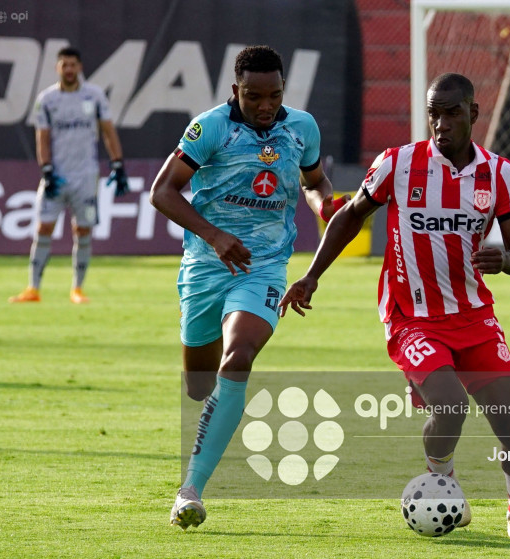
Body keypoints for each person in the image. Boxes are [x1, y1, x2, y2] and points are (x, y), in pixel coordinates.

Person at [280, 73, 510, 540]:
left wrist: (505, 258)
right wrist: (311, 276)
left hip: (475, 316)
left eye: (452, 113)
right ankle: (442, 477)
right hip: (411, 318)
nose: (440, 124)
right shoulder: (398, 164)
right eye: (433, 113)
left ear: (473, 114)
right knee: (451, 406)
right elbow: (349, 216)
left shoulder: (499, 173)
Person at [150, 45, 347, 531]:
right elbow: (163, 191)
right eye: (254, 96)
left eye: (274, 95)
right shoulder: (210, 127)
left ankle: (190, 489)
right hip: (204, 265)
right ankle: (214, 420)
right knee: (200, 387)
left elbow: (315, 180)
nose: (265, 106)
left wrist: (325, 205)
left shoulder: (302, 127)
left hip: (263, 268)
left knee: (237, 359)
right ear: (234, 91)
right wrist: (215, 236)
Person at [9, 46, 129, 304]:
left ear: (80, 67)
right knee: (43, 227)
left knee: (83, 230)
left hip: (86, 177)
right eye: (65, 65)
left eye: (73, 64)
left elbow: (108, 131)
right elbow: (42, 136)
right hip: (57, 176)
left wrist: (117, 163)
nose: (69, 69)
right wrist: (47, 169)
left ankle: (77, 289)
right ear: (58, 68)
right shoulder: (47, 99)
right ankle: (33, 288)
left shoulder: (94, 96)